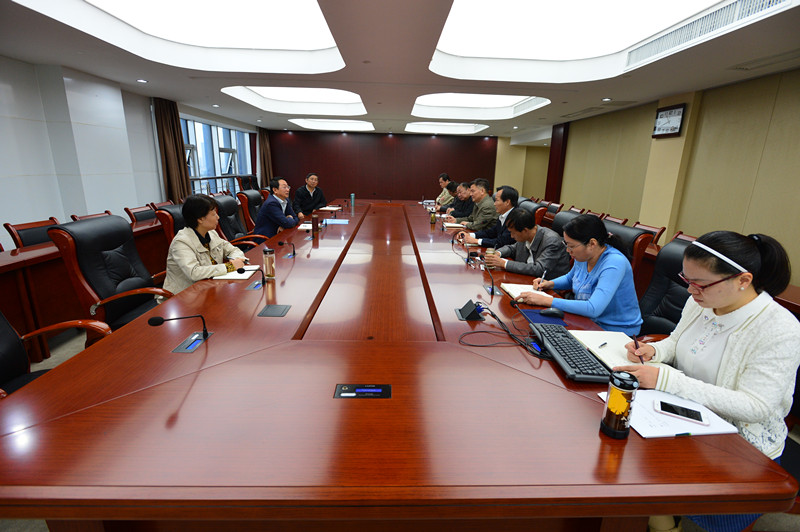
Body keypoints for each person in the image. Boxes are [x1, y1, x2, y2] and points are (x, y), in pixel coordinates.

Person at [615, 231, 800, 532]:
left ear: (743, 280)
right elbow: (677, 341)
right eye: (686, 279)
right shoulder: (700, 302)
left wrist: (667, 380)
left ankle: (661, 518)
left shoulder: (778, 328)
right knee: (619, 444)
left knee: (637, 470)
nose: (690, 290)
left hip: (738, 445)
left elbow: (757, 406)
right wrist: (655, 351)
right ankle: (654, 516)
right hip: (684, 414)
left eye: (700, 283)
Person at [517, 214, 642, 335]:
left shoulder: (614, 263)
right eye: (566, 244)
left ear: (592, 244)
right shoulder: (584, 256)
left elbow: (593, 308)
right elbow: (571, 278)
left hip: (614, 331)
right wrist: (550, 284)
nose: (568, 250)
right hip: (585, 321)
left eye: (571, 246)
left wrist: (546, 300)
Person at [162, 194, 246, 297]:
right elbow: (194, 272)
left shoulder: (211, 233)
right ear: (200, 219)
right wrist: (230, 266)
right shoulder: (181, 242)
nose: (218, 217)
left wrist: (236, 259)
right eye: (214, 214)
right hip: (184, 296)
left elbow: (232, 250)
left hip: (210, 288)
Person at [484, 207, 570, 278]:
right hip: (526, 278)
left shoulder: (552, 241)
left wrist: (504, 263)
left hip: (547, 286)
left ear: (525, 231)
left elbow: (539, 269)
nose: (511, 236)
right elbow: (512, 248)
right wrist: (498, 253)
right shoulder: (527, 234)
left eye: (513, 233)